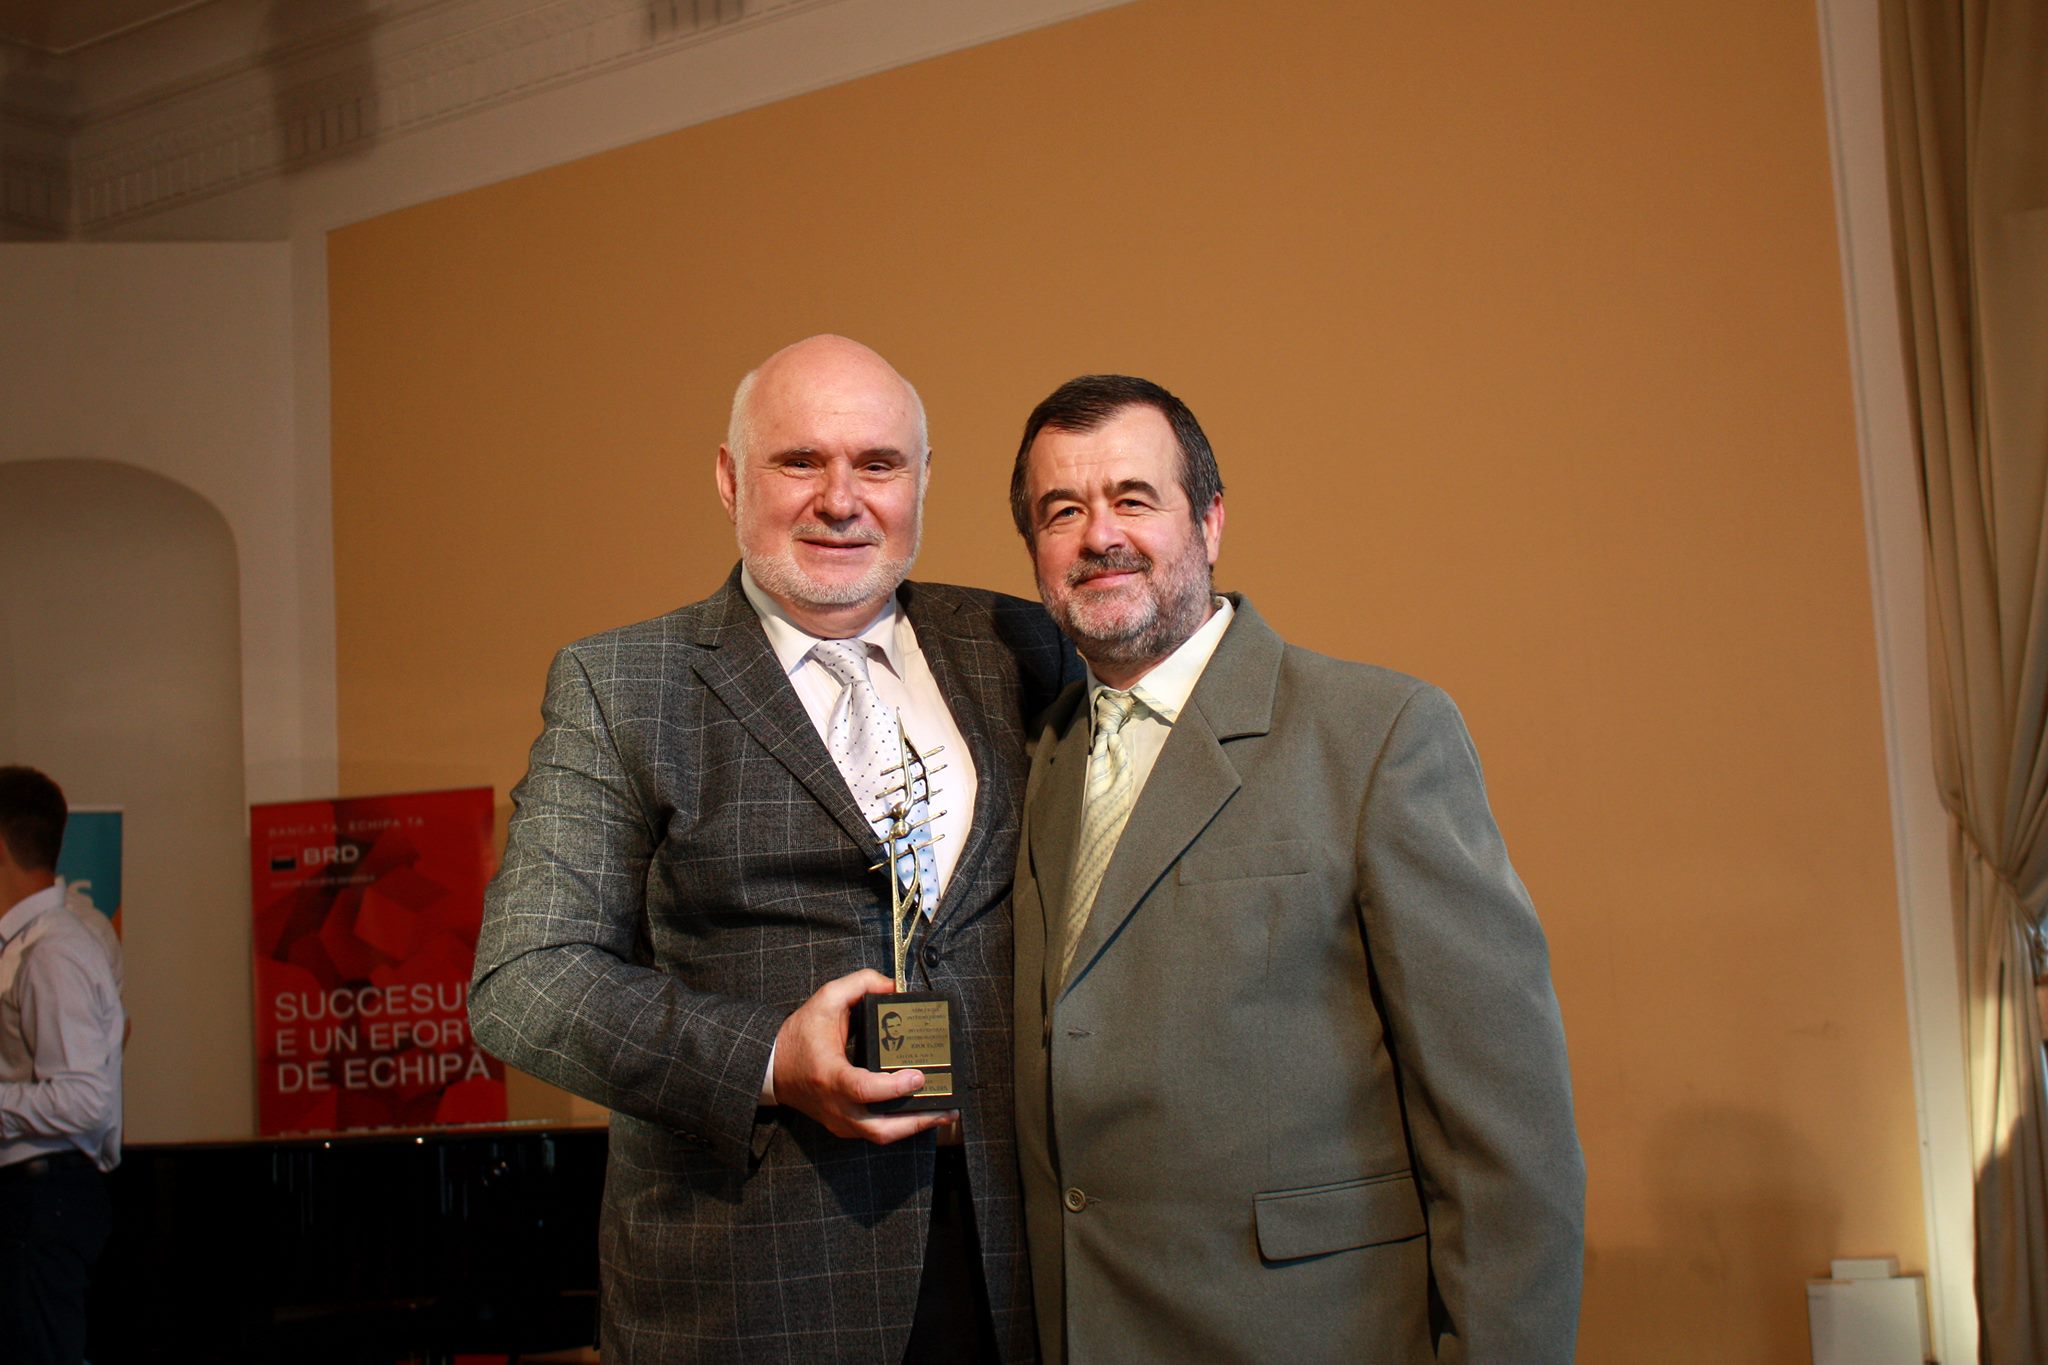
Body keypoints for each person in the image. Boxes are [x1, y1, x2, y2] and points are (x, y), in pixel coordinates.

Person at [471, 336, 1077, 1363]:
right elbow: (525, 982)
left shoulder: (1020, 648)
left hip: (1014, 1277)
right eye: (800, 461)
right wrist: (768, 1059)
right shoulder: (626, 685)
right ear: (729, 477)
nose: (841, 500)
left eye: (878, 464)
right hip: (753, 1292)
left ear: (923, 481)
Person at [1007, 375, 1585, 1363]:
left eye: (1134, 498)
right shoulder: (1030, 760)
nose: (1099, 535)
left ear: (1210, 521)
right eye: (1062, 511)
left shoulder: (1377, 736)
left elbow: (1504, 1141)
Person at [0, 766, 125, 1365]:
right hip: (34, 1198)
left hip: (40, 1198)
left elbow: (85, 1100)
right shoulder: (32, 945)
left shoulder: (52, 951)